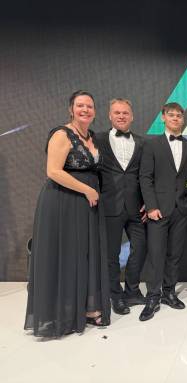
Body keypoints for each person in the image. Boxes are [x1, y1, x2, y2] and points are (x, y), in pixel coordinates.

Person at [25, 90, 110, 337]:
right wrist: (87, 190)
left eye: (90, 106)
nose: (85, 110)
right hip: (63, 201)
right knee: (66, 253)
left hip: (85, 204)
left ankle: (85, 308)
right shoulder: (61, 134)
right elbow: (53, 171)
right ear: (71, 109)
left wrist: (91, 193)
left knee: (83, 254)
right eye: (80, 105)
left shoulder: (92, 137)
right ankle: (63, 312)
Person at [139, 102, 187, 321]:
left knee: (174, 254)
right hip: (158, 211)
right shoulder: (151, 145)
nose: (175, 118)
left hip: (182, 210)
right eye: (171, 115)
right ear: (163, 117)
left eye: (179, 115)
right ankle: (153, 295)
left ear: (183, 119)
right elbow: (145, 177)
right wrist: (151, 206)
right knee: (156, 254)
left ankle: (169, 292)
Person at [96, 98, 146, 315]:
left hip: (136, 207)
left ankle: (133, 291)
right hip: (110, 206)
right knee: (111, 255)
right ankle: (115, 296)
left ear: (132, 116)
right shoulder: (97, 139)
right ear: (110, 115)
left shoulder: (143, 142)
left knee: (141, 248)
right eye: (117, 112)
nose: (121, 116)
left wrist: (148, 202)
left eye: (125, 113)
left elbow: (146, 176)